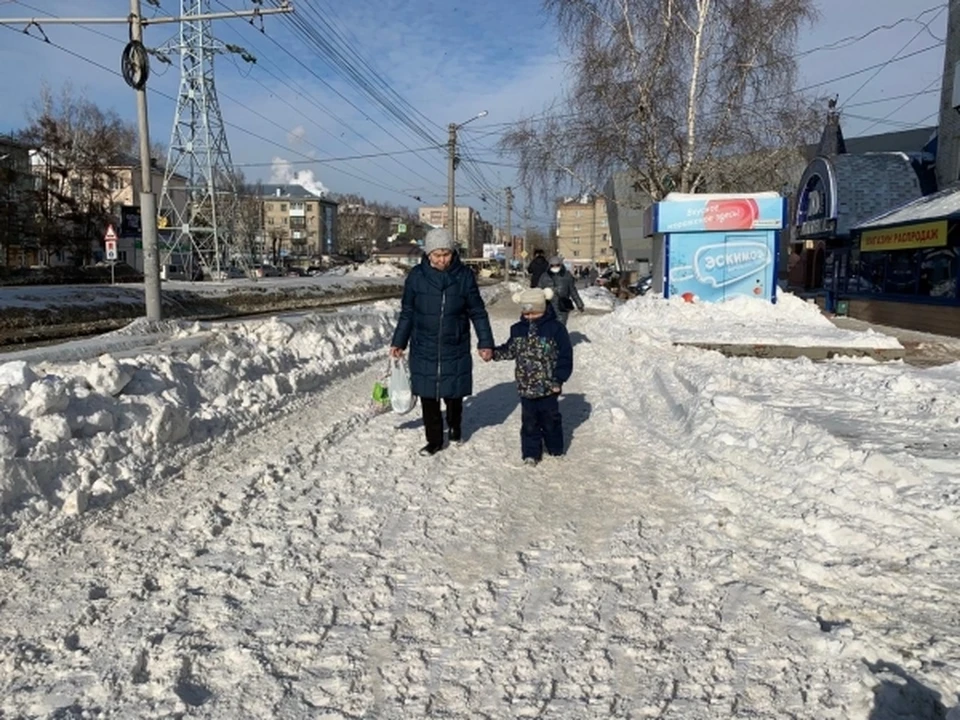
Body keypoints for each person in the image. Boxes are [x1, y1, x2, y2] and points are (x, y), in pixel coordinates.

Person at [390, 228, 495, 456]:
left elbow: (477, 312)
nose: (441, 260)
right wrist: (399, 341)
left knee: (453, 393)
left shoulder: (464, 276)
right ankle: (434, 441)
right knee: (428, 395)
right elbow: (408, 312)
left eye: (446, 254)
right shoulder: (416, 277)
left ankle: (455, 425)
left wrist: (485, 342)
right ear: (428, 254)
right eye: (437, 255)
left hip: (454, 344)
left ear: (452, 253)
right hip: (423, 345)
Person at [493, 287, 573, 466]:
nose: (530, 317)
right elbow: (510, 349)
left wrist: (558, 378)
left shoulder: (556, 329)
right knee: (529, 422)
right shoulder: (517, 329)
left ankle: (555, 447)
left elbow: (565, 355)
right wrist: (493, 353)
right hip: (526, 386)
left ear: (544, 308)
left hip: (549, 386)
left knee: (550, 419)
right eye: (526, 313)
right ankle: (530, 453)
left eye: (534, 313)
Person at [538, 255, 584, 325]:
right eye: (552, 265)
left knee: (561, 326)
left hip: (562, 306)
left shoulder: (567, 276)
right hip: (548, 306)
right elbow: (539, 291)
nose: (555, 267)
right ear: (549, 266)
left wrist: (579, 304)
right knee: (549, 326)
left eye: (557, 265)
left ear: (561, 265)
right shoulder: (544, 276)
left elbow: (573, 291)